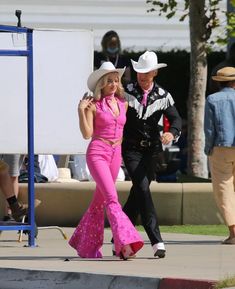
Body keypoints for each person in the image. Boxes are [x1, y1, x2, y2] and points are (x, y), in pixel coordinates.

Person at [69, 61, 144, 259]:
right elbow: (87, 134)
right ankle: (126, 245)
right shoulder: (94, 106)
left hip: (115, 153)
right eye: (109, 80)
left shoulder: (123, 104)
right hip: (97, 153)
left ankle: (85, 246)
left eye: (115, 80)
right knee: (112, 198)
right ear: (101, 83)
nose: (113, 83)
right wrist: (81, 111)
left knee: (98, 202)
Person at [112, 51, 182, 258]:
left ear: (154, 73)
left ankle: (120, 236)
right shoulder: (126, 91)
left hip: (152, 151)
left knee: (138, 193)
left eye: (146, 73)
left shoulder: (163, 95)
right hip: (131, 149)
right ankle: (156, 240)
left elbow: (176, 119)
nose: (142, 76)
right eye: (139, 72)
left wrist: (171, 133)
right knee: (142, 188)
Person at [204, 66, 235, 245]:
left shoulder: (212, 99)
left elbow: (209, 129)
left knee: (223, 188)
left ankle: (233, 231)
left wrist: (208, 149)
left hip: (221, 147)